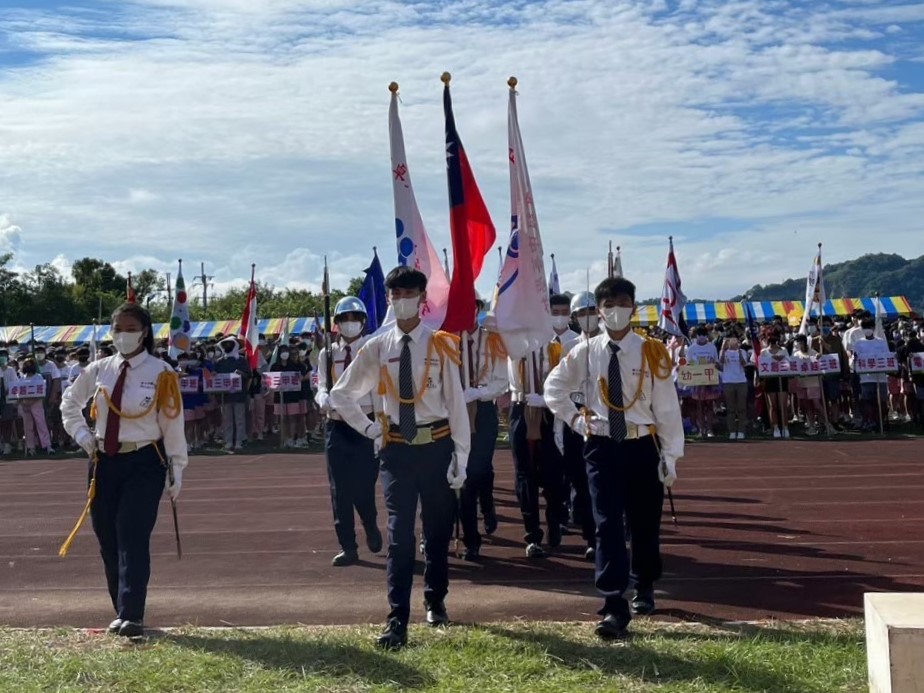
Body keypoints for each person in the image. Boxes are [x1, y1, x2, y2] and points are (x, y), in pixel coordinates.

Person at [329, 266, 470, 651]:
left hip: (437, 445)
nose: (403, 300)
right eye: (396, 294)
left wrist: (461, 455)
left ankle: (435, 598)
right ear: (389, 300)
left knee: (438, 533)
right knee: (400, 537)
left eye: (410, 293)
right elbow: (341, 395)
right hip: (396, 451)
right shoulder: (377, 346)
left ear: (423, 300)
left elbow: (456, 404)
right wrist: (371, 429)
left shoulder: (441, 344)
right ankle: (397, 619)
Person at [544, 277, 684, 640]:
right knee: (606, 524)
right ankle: (612, 605)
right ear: (599, 311)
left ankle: (645, 585)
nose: (615, 310)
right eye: (608, 305)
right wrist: (576, 420)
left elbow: (667, 408)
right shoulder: (585, 351)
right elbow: (553, 388)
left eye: (623, 303)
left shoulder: (652, 351)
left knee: (643, 523)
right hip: (602, 445)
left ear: (633, 308)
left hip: (642, 444)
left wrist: (671, 455)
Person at [60, 302, 187, 638]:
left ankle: (132, 615)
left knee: (132, 533)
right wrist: (84, 437)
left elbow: (172, 423)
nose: (123, 335)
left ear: (144, 333)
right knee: (107, 537)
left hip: (145, 461)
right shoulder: (99, 369)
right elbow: (69, 404)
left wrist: (178, 466)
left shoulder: (162, 373)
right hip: (103, 460)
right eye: (118, 328)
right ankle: (120, 608)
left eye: (131, 329)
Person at [315, 296, 383, 567]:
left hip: (366, 425)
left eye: (354, 318)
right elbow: (321, 382)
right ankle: (348, 546)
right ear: (337, 324)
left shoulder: (372, 349)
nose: (349, 324)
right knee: (339, 490)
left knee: (363, 487)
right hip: (338, 425)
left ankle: (370, 523)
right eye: (344, 319)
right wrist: (322, 397)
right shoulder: (327, 353)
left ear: (363, 322)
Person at [507, 296, 570, 558]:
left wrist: (547, 398)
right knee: (525, 476)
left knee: (554, 476)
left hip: (550, 412)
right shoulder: (514, 342)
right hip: (522, 408)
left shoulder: (559, 345)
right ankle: (532, 534)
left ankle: (555, 518)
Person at [457, 295, 509, 561]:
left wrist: (478, 393)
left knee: (478, 469)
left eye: (471, 307)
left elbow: (503, 382)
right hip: (456, 413)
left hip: (484, 411)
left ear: (478, 309)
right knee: (463, 476)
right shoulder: (446, 342)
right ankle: (471, 539)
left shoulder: (492, 340)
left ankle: (487, 507)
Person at [214, 338, 251, 451]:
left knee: (240, 419)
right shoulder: (219, 361)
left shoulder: (241, 360)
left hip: (239, 395)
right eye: (225, 344)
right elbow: (215, 378)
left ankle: (239, 441)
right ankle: (228, 441)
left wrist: (241, 373)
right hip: (225, 396)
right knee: (227, 420)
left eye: (230, 344)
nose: (227, 346)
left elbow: (248, 375)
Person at [852, 318, 890, 431]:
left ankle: (880, 421)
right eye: (865, 328)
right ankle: (870, 421)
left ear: (873, 328)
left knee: (882, 401)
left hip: (881, 377)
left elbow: (887, 356)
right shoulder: (859, 343)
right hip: (866, 378)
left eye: (869, 327)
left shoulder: (881, 342)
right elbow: (855, 358)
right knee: (868, 401)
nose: (868, 330)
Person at [760, 328, 791, 438]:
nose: (772, 339)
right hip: (770, 380)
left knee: (782, 405)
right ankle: (776, 427)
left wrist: (781, 359)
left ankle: (785, 427)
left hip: (782, 379)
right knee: (773, 406)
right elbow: (760, 367)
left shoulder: (783, 350)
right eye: (770, 337)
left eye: (774, 336)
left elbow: (789, 365)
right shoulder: (763, 352)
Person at [718, 333, 748, 440]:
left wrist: (739, 350)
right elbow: (720, 362)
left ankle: (741, 430)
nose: (733, 342)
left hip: (741, 382)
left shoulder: (743, 352)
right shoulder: (724, 352)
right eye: (731, 340)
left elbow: (744, 364)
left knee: (741, 408)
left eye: (735, 340)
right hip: (728, 382)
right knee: (730, 408)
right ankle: (732, 431)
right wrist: (723, 347)